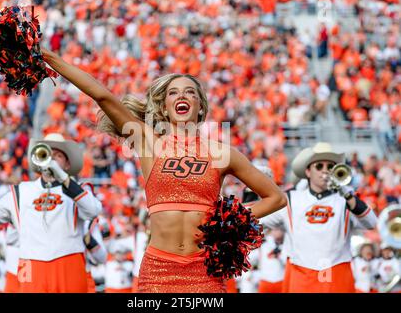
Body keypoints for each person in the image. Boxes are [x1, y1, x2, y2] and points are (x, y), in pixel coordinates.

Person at [41, 48, 287, 293]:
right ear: (165, 106)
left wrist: (227, 221)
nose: (182, 96)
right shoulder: (148, 141)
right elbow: (103, 97)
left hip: (205, 272)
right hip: (158, 271)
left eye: (190, 92)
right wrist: (49, 57)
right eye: (173, 93)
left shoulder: (222, 153)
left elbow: (276, 198)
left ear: (200, 106)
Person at [0, 133, 102, 293]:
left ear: (67, 164)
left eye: (58, 156)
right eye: (48, 154)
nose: (52, 159)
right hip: (30, 266)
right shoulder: (21, 191)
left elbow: (94, 210)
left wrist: (65, 180)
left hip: (69, 262)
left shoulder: (79, 189)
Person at [260, 142, 378, 293]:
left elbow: (372, 223)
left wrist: (347, 193)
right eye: (319, 166)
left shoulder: (345, 200)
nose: (325, 170)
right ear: (308, 171)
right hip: (302, 275)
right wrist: (255, 189)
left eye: (330, 167)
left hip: (336, 273)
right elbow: (258, 220)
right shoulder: (290, 198)